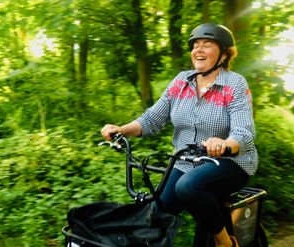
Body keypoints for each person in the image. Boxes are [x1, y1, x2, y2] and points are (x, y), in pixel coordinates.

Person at [101, 23, 258, 247]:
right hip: (186, 161)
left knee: (188, 186)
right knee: (157, 214)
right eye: (195, 45)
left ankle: (224, 242)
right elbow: (152, 118)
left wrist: (225, 143)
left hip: (230, 161)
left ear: (224, 53)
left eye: (207, 44)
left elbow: (244, 131)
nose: (198, 50)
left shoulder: (234, 84)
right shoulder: (181, 81)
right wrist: (121, 129)